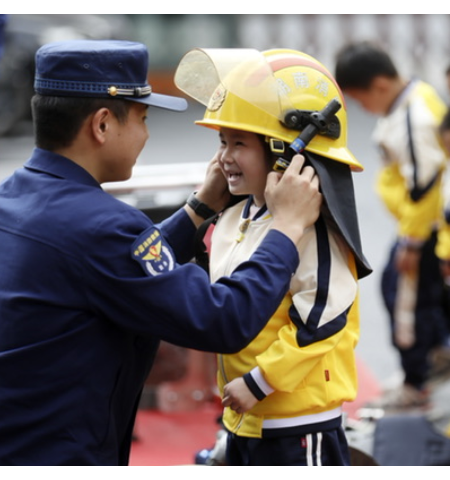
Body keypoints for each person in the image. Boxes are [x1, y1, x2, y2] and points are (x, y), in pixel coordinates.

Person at [0, 40, 324, 466]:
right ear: (101, 125)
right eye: (143, 118)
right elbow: (222, 318)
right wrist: (286, 226)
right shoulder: (102, 226)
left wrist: (198, 208)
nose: (147, 134)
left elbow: (117, 270)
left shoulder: (13, 199)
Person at [176, 48, 371, 467]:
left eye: (239, 143)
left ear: (284, 151)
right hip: (245, 417)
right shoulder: (235, 214)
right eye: (221, 141)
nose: (225, 157)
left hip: (299, 425)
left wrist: (261, 382)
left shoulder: (314, 227)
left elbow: (323, 317)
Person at [336, 42, 449, 409]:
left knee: (403, 298)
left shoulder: (415, 117)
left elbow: (426, 183)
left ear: (380, 86)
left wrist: (413, 242)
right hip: (422, 227)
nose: (360, 108)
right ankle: (435, 355)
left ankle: (416, 381)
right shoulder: (412, 98)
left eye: (360, 98)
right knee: (423, 296)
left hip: (426, 229)